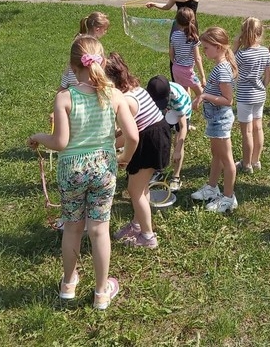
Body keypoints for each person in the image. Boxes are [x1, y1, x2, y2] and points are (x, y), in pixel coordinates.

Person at [28, 36, 138, 310]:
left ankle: (68, 284)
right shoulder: (114, 95)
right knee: (100, 231)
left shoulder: (64, 97)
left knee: (73, 228)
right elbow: (133, 136)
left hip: (72, 171)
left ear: (71, 64)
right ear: (101, 62)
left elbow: (60, 143)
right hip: (103, 167)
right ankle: (101, 293)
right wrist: (123, 158)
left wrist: (38, 137)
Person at [105, 53, 170, 249]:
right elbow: (131, 127)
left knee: (134, 191)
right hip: (156, 135)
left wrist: (111, 148)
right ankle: (137, 224)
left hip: (149, 142)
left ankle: (148, 237)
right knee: (141, 188)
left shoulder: (125, 101)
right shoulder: (134, 89)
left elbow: (129, 136)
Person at [190, 27, 239, 214]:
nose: (204, 52)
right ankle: (212, 187)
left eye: (206, 48)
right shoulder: (220, 66)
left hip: (221, 119)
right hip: (215, 120)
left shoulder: (223, 69)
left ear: (218, 47)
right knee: (216, 155)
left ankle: (228, 198)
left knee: (227, 160)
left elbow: (228, 100)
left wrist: (204, 96)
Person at [233, 17, 270, 173]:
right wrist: (262, 86)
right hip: (259, 94)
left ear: (243, 34)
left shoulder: (242, 55)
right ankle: (256, 160)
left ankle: (246, 164)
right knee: (258, 128)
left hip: (244, 96)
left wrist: (235, 45)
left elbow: (229, 65)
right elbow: (269, 74)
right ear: (260, 33)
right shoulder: (265, 52)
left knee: (247, 132)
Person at [146, 75, 192, 192]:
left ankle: (176, 177)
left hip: (181, 112)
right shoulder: (150, 94)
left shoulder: (178, 98)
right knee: (159, 138)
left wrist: (177, 150)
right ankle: (158, 170)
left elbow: (183, 128)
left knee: (178, 141)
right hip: (166, 111)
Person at [60, 12, 110, 89]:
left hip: (71, 73)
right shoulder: (94, 45)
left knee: (65, 92)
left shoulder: (79, 39)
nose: (105, 32)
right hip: (82, 77)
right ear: (97, 29)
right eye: (105, 30)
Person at [168, 7, 206, 99]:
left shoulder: (174, 35)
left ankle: (187, 110)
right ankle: (199, 108)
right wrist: (203, 77)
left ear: (177, 21)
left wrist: (175, 63)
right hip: (188, 71)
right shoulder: (193, 38)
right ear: (193, 20)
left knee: (185, 95)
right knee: (202, 94)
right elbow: (197, 58)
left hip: (176, 69)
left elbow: (171, 53)